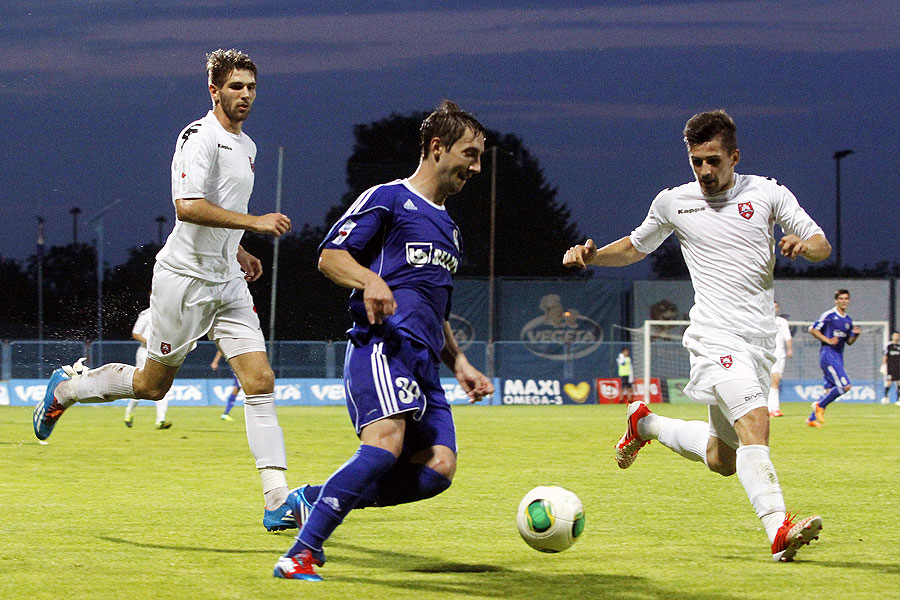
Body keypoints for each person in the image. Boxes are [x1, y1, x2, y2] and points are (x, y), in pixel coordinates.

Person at [33, 49, 298, 532]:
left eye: (251, 87)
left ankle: (277, 500)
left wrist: (239, 249)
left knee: (260, 382)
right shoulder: (198, 136)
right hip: (184, 280)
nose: (245, 95)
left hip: (227, 282)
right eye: (235, 86)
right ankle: (67, 389)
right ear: (214, 90)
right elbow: (187, 206)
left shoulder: (249, 146)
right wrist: (255, 223)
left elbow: (219, 207)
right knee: (152, 387)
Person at [563, 109, 830, 562]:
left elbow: (821, 243)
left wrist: (804, 247)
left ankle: (645, 424)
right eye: (696, 161)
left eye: (713, 161)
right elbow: (635, 246)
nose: (704, 171)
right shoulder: (674, 202)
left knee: (722, 459)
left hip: (759, 341)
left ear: (734, 157)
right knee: (756, 421)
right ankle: (778, 529)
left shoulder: (767, 193)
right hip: (713, 337)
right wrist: (593, 257)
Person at [273, 100, 494, 581]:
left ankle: (314, 499)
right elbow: (330, 256)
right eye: (470, 154)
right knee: (384, 447)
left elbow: (434, 310)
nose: (477, 167)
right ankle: (300, 555)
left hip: (425, 365)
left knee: (438, 468)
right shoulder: (389, 199)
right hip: (382, 347)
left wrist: (459, 362)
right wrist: (369, 280)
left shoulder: (451, 231)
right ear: (437, 148)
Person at [806, 289, 860, 427]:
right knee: (845, 386)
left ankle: (811, 419)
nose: (844, 301)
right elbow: (812, 329)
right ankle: (820, 405)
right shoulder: (829, 315)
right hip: (828, 355)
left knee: (830, 391)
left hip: (838, 357)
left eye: (846, 298)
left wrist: (856, 335)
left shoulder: (848, 320)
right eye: (841, 298)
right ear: (836, 300)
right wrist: (828, 340)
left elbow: (849, 342)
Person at [123, 307, 172, 429]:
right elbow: (136, 334)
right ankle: (129, 411)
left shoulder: (167, 314)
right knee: (140, 386)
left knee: (162, 385)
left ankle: (160, 421)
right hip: (144, 353)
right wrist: (151, 342)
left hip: (159, 353)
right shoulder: (146, 314)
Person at [767, 302, 793, 417]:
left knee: (775, 382)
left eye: (776, 307)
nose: (774, 309)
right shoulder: (764, 320)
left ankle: (773, 408)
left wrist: (790, 349)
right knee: (775, 379)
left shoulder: (782, 322)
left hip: (780, 355)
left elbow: (788, 337)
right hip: (769, 354)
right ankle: (772, 408)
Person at [211, 349, 241, 421]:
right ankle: (226, 413)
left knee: (237, 388)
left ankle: (226, 413)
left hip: (243, 366)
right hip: (238, 367)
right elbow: (221, 349)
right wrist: (215, 362)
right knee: (237, 388)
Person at [882, 332, 900, 405]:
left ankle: (898, 399)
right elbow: (885, 356)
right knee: (889, 382)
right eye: (895, 336)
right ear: (892, 336)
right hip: (890, 367)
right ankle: (885, 397)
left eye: (897, 336)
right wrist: (884, 365)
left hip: (898, 367)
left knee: (898, 382)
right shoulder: (888, 346)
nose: (896, 337)